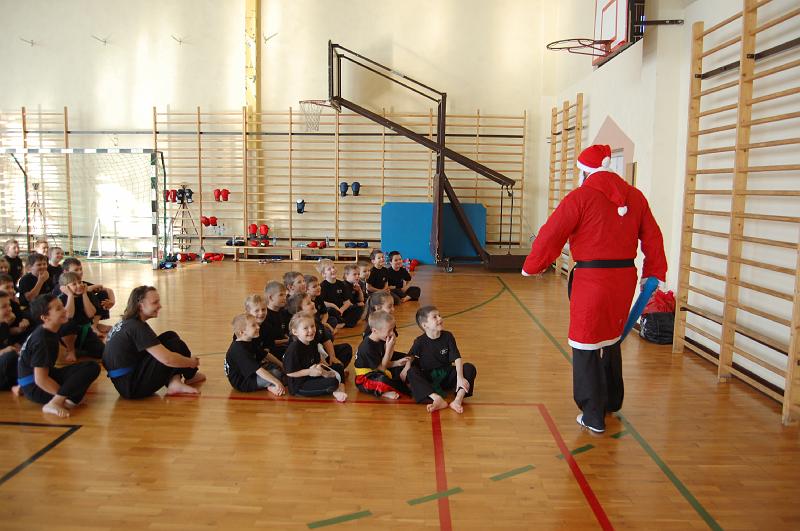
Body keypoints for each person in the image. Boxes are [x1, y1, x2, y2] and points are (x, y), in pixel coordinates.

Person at [522, 144, 667, 433]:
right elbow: (653, 236)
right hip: (624, 279)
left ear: (585, 172)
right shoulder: (635, 196)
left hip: (592, 279)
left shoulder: (581, 197)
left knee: (585, 342)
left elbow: (552, 233)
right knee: (611, 336)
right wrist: (654, 272)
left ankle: (592, 414)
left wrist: (532, 266)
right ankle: (611, 400)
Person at [102, 286, 205, 399]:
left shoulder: (128, 323)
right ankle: (190, 376)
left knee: (170, 336)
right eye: (155, 302)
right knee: (174, 346)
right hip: (132, 386)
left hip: (124, 381)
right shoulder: (137, 327)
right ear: (141, 305)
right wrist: (191, 363)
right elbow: (167, 359)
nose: (160, 306)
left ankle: (175, 382)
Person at [16, 294, 101, 417]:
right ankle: (55, 403)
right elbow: (40, 379)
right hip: (36, 387)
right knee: (91, 369)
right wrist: (63, 397)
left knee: (88, 367)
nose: (64, 310)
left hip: (39, 379)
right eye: (58, 309)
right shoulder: (43, 340)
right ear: (45, 317)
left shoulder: (48, 330)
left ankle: (69, 400)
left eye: (62, 306)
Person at [406, 305, 477, 414]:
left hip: (446, 375)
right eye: (435, 317)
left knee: (469, 368)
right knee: (411, 372)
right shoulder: (419, 341)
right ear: (425, 325)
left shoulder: (448, 336)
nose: (440, 318)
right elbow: (410, 356)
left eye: (439, 315)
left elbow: (457, 357)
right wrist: (405, 368)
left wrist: (460, 377)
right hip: (429, 379)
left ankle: (457, 400)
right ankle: (436, 398)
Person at [283, 312, 347, 402]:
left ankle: (341, 388)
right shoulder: (294, 349)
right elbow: (290, 373)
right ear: (295, 332)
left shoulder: (312, 342)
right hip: (300, 385)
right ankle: (336, 389)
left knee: (339, 367)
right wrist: (310, 372)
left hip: (312, 375)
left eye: (312, 326)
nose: (311, 330)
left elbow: (317, 362)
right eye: (305, 328)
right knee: (332, 382)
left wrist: (326, 372)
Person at [224, 313, 286, 396]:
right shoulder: (239, 350)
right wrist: (277, 382)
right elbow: (258, 370)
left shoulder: (249, 341)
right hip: (244, 382)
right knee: (277, 374)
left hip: (251, 373)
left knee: (278, 368)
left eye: (257, 324)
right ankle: (271, 386)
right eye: (253, 325)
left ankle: (271, 383)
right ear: (242, 332)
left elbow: (266, 354)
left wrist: (282, 365)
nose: (258, 327)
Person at [354, 310, 412, 399]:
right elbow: (382, 368)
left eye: (393, 329)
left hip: (377, 370)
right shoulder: (367, 347)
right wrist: (388, 349)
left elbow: (385, 361)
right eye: (389, 330)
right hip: (364, 378)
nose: (392, 333)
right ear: (375, 331)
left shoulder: (381, 338)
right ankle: (383, 392)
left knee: (401, 367)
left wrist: (397, 363)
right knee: (383, 380)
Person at [286, 293, 352, 368]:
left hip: (320, 354)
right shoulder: (299, 331)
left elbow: (326, 339)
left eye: (311, 301)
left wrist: (332, 356)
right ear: (299, 311)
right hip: (309, 362)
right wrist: (324, 366)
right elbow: (308, 355)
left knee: (346, 349)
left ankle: (336, 370)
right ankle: (335, 370)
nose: (313, 303)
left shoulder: (315, 320)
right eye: (308, 303)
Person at [57, 271, 105, 361]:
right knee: (69, 323)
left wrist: (84, 294)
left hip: (85, 331)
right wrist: (70, 295)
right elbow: (69, 315)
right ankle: (71, 350)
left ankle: (80, 350)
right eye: (74, 284)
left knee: (101, 352)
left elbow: (90, 314)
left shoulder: (88, 295)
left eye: (80, 282)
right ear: (65, 288)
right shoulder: (61, 298)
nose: (79, 286)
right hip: (68, 333)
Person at [243, 293, 285, 375]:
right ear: (248, 312)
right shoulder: (243, 329)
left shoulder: (267, 327)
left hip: (263, 358)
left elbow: (268, 348)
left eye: (263, 309)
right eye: (256, 310)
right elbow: (246, 357)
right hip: (249, 364)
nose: (261, 313)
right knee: (276, 373)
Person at [317, 259, 362, 328]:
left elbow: (347, 302)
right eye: (329, 269)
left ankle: (342, 323)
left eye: (333, 267)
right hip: (332, 310)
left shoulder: (341, 284)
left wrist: (341, 310)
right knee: (330, 311)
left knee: (358, 309)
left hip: (341, 310)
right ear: (323, 274)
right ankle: (344, 322)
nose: (333, 270)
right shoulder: (322, 286)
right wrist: (333, 306)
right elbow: (322, 302)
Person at [261, 281, 290, 358]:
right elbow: (268, 343)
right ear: (271, 297)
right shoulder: (265, 316)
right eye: (281, 295)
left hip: (283, 346)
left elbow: (283, 332)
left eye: (285, 295)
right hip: (272, 351)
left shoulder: (283, 311)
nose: (285, 297)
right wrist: (288, 340)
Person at [0, 290, 21, 393]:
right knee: (10, 356)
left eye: (9, 305)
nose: (9, 309)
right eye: (4, 306)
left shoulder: (3, 325)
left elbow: (9, 343)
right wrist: (3, 351)